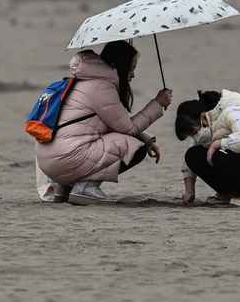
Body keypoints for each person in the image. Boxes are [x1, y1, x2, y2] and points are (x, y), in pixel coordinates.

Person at [35, 40, 173, 205]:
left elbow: (110, 125)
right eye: (132, 67)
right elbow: (128, 129)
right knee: (136, 147)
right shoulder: (102, 87)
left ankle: (63, 190)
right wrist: (158, 103)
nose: (133, 74)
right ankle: (86, 187)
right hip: (66, 159)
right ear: (121, 65)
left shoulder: (83, 80)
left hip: (48, 160)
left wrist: (147, 138)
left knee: (130, 140)